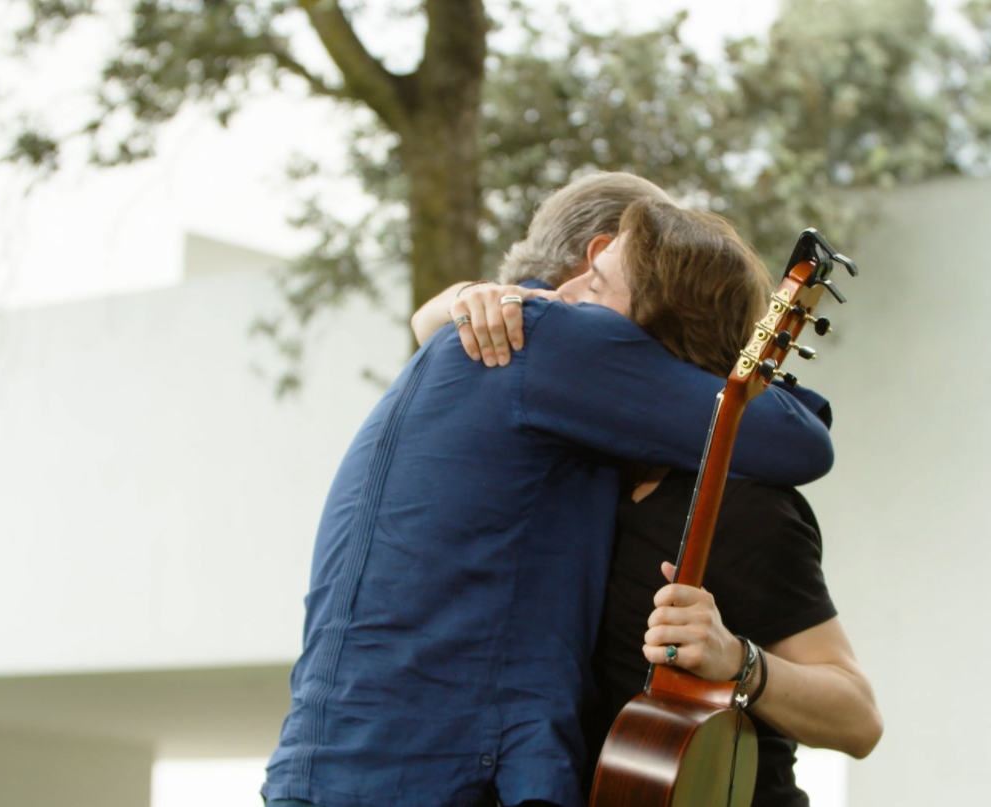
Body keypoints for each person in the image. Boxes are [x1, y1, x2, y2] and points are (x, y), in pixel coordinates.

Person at [262, 175, 835, 807]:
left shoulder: (475, 343)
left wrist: (447, 300)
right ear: (596, 253)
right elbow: (795, 439)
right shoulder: (548, 336)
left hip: (343, 765)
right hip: (429, 775)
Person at [428, 218, 883, 807]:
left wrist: (737, 659)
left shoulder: (748, 508)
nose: (564, 298)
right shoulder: (574, 472)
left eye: (594, 287)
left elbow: (858, 717)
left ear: (650, 337)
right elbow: (426, 327)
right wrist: (467, 298)